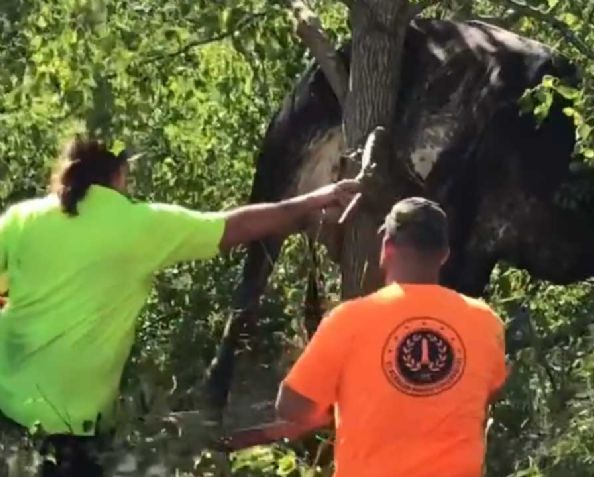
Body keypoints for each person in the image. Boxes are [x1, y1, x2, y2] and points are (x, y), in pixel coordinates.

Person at [0, 135, 359, 476]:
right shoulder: (138, 224)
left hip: (6, 407)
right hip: (72, 426)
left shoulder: (22, 218)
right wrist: (313, 200)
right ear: (119, 175)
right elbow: (230, 226)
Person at [226, 197, 509, 477]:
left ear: (386, 248)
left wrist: (334, 411)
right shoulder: (485, 321)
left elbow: (292, 407)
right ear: (444, 254)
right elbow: (490, 389)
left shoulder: (350, 319)